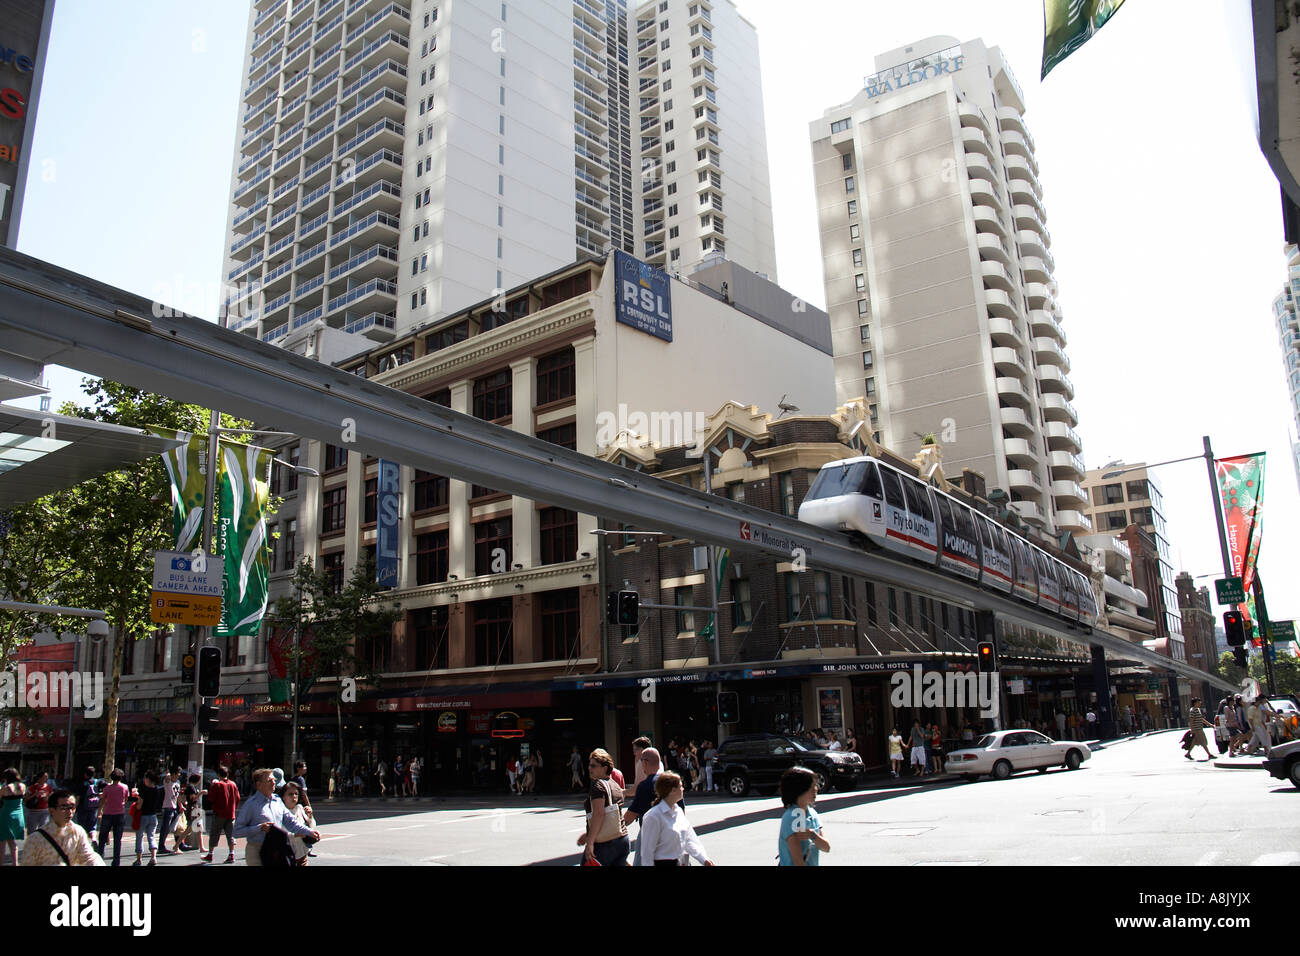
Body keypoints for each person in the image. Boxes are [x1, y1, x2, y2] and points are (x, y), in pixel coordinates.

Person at [233, 768, 321, 866]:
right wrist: (260, 828)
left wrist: (309, 831)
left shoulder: (277, 801)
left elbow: (292, 822)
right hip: (257, 850)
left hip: (276, 849)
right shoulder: (251, 804)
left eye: (274, 780)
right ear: (259, 785)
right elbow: (237, 831)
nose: (273, 783)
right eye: (269, 780)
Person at [639, 772, 713, 866]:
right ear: (673, 790)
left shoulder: (678, 811)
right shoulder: (653, 816)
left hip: (681, 862)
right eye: (680, 786)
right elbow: (647, 853)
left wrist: (704, 859)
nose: (683, 789)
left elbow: (689, 839)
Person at [21, 790, 105, 866]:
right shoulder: (35, 839)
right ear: (51, 810)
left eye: (72, 807)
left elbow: (89, 857)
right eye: (64, 808)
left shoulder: (78, 832)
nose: (70, 812)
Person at [577, 748, 628, 866]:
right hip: (622, 840)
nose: (589, 768)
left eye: (593, 766)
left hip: (604, 843)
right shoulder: (614, 784)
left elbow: (599, 814)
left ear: (605, 768)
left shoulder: (597, 785)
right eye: (589, 765)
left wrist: (590, 842)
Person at [623, 747, 672, 866]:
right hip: (670, 835)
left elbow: (630, 816)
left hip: (649, 836)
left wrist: (614, 828)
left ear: (644, 762)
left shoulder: (645, 786)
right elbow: (682, 811)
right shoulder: (672, 783)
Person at [777, 767, 829, 867]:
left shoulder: (813, 814)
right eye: (812, 787)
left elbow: (826, 848)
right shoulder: (791, 817)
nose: (816, 790)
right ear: (800, 790)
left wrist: (812, 835)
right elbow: (798, 862)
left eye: (816, 786)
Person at [203, 765, 240, 864]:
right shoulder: (233, 784)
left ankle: (210, 854)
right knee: (231, 835)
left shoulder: (217, 785)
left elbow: (211, 798)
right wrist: (233, 807)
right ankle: (231, 854)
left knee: (214, 833)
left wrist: (212, 786)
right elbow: (238, 798)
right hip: (230, 813)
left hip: (219, 813)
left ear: (218, 774)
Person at [94, 768, 130, 866]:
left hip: (108, 814)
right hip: (120, 814)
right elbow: (126, 799)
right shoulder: (124, 787)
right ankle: (116, 861)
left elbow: (103, 800)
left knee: (102, 838)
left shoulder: (107, 788)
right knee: (117, 839)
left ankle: (100, 857)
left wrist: (100, 810)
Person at [281, 781, 315, 865]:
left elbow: (312, 826)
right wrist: (297, 835)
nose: (294, 796)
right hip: (286, 854)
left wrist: (310, 816)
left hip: (302, 852)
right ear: (283, 797)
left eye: (296, 793)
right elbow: (280, 835)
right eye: (290, 794)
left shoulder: (300, 808)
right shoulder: (280, 811)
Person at [133, 770, 162, 866]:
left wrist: (137, 800)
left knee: (139, 836)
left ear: (148, 779)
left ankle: (139, 859)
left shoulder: (144, 790)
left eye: (145, 778)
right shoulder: (157, 790)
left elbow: (139, 806)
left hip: (143, 816)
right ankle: (153, 857)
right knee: (151, 836)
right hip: (153, 816)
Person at [0, 767, 25, 866]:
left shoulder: (5, 788)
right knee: (12, 841)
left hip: (6, 815)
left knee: (2, 842)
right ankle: (15, 863)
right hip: (19, 815)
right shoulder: (22, 786)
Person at [157, 767, 181, 854]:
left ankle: (179, 844)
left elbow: (177, 796)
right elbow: (167, 777)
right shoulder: (168, 782)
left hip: (175, 807)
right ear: (174, 774)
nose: (179, 775)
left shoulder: (178, 782)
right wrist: (169, 772)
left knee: (177, 827)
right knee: (165, 828)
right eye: (178, 773)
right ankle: (161, 846)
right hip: (167, 807)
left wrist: (180, 805)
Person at [24, 770, 52, 836]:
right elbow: (25, 799)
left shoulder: (48, 787)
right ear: (39, 778)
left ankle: (41, 844)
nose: (46, 778)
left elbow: (51, 798)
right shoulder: (32, 787)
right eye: (45, 777)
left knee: (44, 830)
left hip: (45, 811)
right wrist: (35, 795)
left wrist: (47, 798)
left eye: (47, 777)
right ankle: (31, 844)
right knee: (31, 831)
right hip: (33, 811)